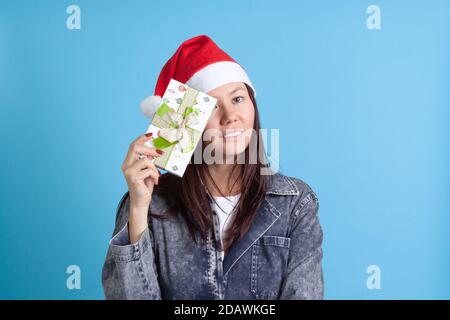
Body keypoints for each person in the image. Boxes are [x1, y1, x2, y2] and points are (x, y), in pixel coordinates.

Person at [102, 35, 324, 300]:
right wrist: (138, 208)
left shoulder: (296, 203)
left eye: (238, 99)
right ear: (187, 123)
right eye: (211, 106)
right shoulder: (147, 203)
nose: (230, 116)